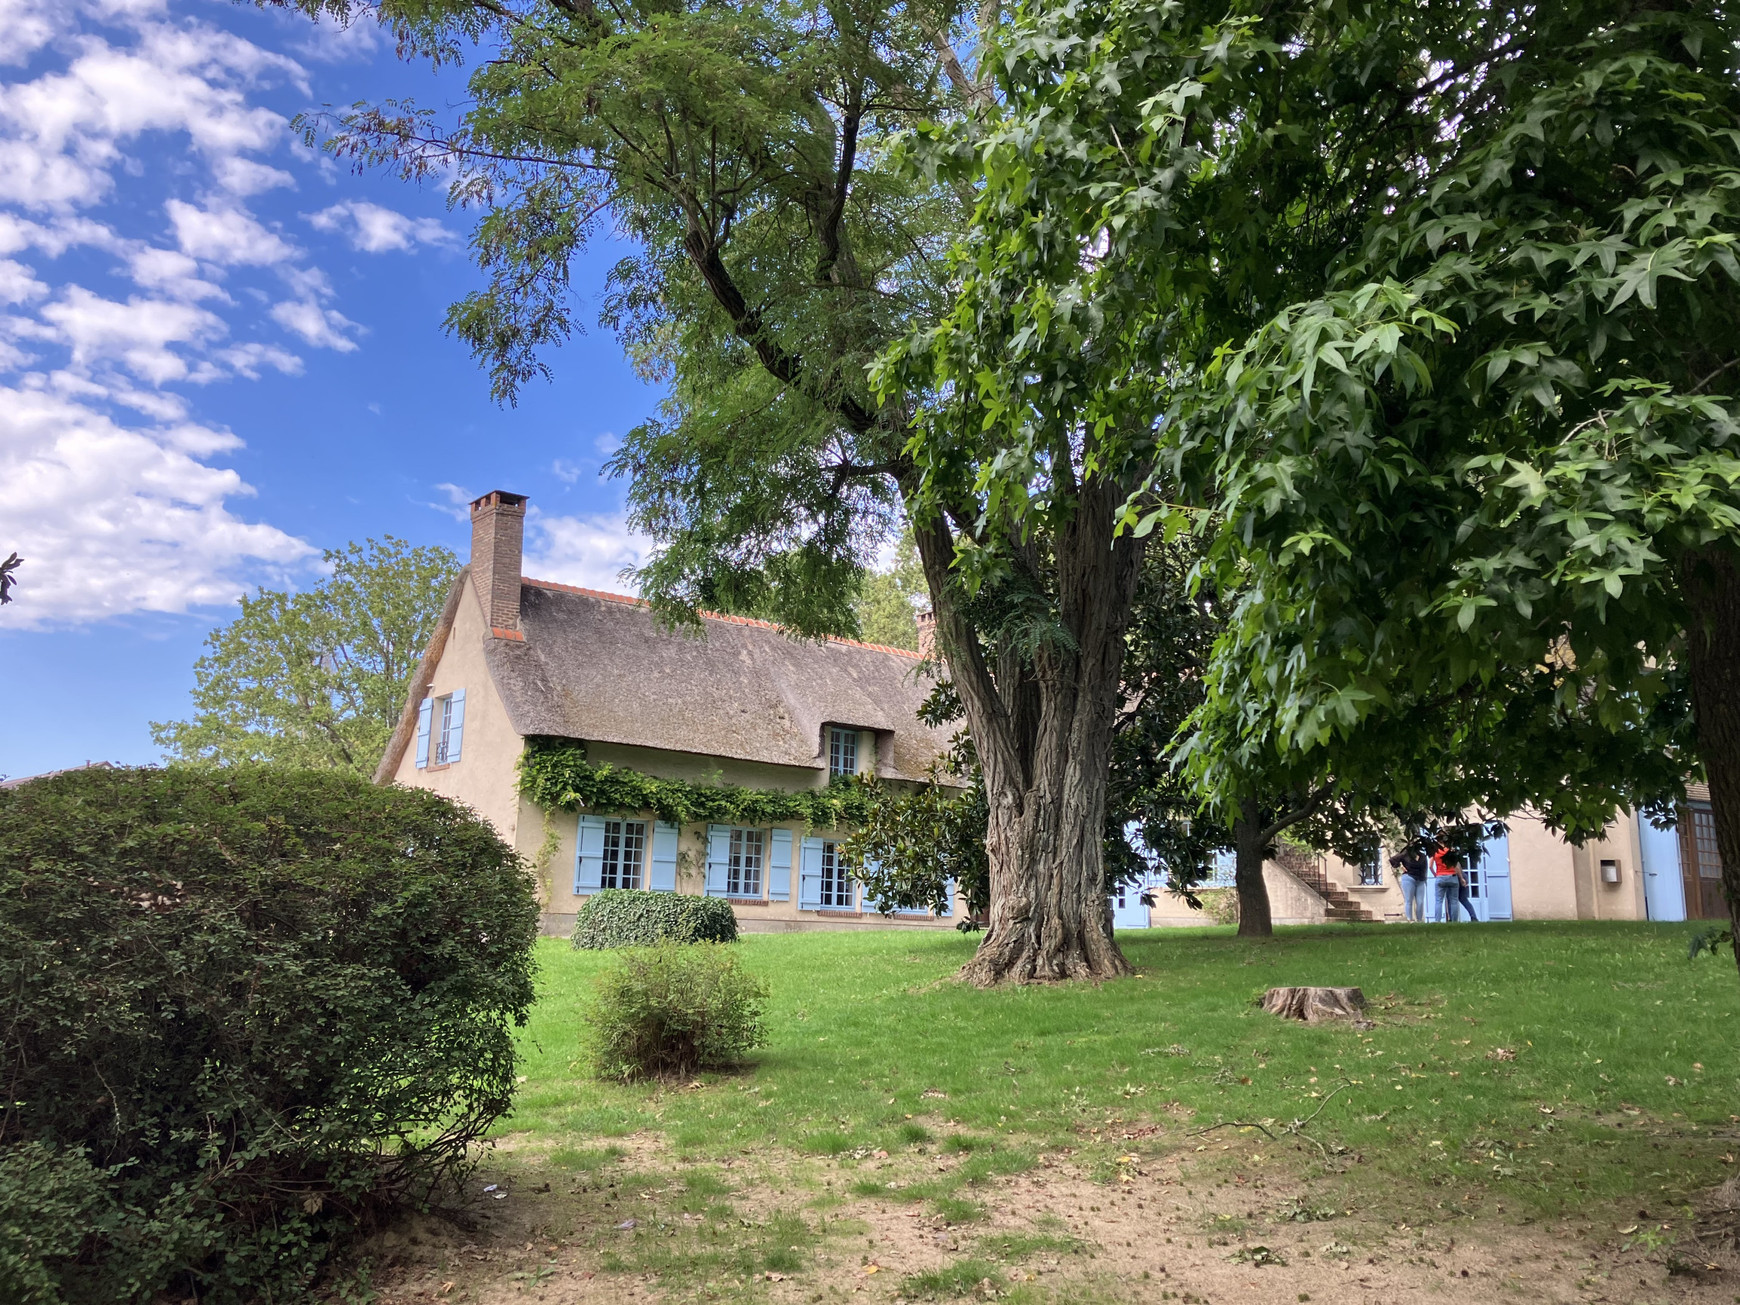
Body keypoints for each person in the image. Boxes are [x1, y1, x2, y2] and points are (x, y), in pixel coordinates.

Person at [1388, 844, 1429, 922]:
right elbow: (1392, 860)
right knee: (1409, 900)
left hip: (1420, 880)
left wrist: (1425, 879)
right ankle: (1409, 920)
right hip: (1409, 878)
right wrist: (1400, 866)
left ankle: (1419, 920)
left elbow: (1425, 868)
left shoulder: (1423, 856)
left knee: (1420, 902)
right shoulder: (1405, 854)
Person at [1431, 845, 1463, 922]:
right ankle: (1454, 921)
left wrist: (1435, 874)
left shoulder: (1435, 851)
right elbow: (1456, 867)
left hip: (1440, 877)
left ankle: (1437, 921)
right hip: (1452, 876)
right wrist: (1461, 878)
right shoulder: (1451, 851)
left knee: (1439, 901)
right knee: (1454, 901)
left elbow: (1430, 866)